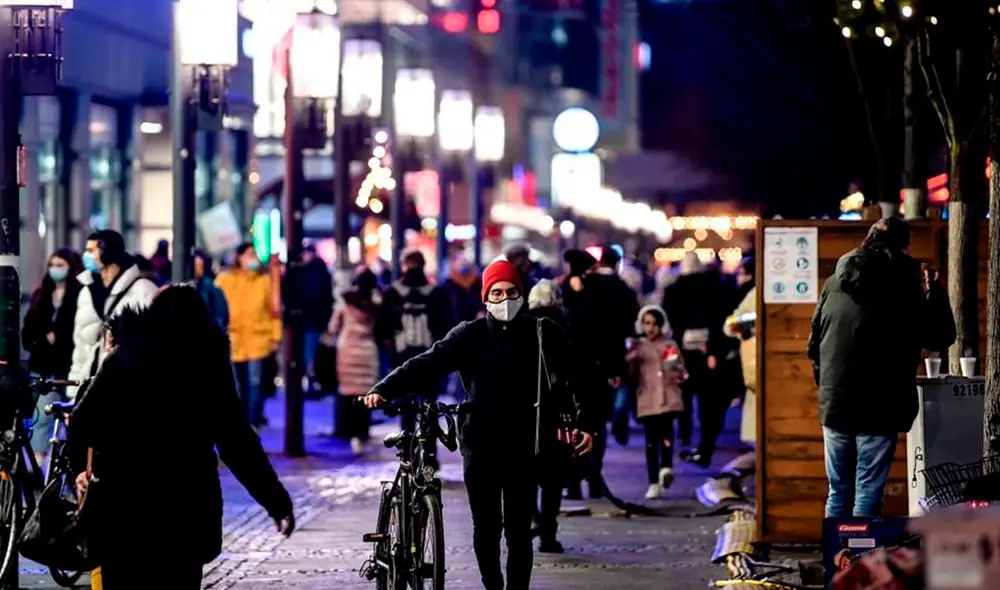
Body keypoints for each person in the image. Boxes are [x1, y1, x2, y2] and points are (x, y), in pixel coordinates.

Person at [363, 259, 594, 590]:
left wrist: (586, 422)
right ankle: (493, 586)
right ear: (485, 297)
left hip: (526, 446)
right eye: (496, 293)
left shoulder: (542, 333)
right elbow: (426, 364)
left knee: (518, 530)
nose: (504, 299)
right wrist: (384, 388)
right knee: (486, 527)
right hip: (481, 446)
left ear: (522, 293)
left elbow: (580, 377)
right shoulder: (469, 335)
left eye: (511, 292)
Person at [71, 285, 295, 588]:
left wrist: (80, 471)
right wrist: (275, 500)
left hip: (122, 506)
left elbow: (83, 421)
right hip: (185, 508)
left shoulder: (124, 356)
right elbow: (235, 440)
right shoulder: (207, 363)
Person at [808, 218, 955, 518]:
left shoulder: (835, 281)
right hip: (880, 403)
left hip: (836, 401)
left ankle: (835, 561)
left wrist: (826, 386)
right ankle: (860, 561)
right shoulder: (904, 284)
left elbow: (814, 343)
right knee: (868, 493)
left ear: (869, 239)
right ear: (903, 245)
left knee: (838, 491)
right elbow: (939, 336)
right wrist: (936, 292)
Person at [376, 249, 453, 462]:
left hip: (403, 361)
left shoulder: (393, 292)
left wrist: (391, 347)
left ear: (404, 265)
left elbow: (381, 328)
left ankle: (408, 457)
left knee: (407, 411)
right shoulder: (437, 292)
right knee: (429, 410)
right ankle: (429, 457)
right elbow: (447, 326)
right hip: (430, 361)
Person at [67, 230, 159, 399]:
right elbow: (80, 346)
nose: (86, 255)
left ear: (108, 251)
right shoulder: (87, 292)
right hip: (90, 388)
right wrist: (73, 390)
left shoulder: (143, 290)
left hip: (126, 390)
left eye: (91, 250)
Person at [23, 248, 83, 457]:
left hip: (69, 369)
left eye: (61, 265)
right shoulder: (42, 296)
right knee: (42, 418)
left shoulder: (79, 295)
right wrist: (44, 339)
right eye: (53, 265)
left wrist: (57, 339)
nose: (55, 270)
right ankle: (41, 464)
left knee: (72, 419)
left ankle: (68, 461)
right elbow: (28, 332)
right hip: (44, 367)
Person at [215, 244, 282, 427]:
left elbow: (274, 310)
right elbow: (217, 305)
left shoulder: (264, 281)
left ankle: (251, 422)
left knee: (255, 385)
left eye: (255, 255)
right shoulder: (225, 279)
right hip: (233, 339)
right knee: (235, 386)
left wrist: (276, 336)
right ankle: (237, 422)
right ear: (239, 258)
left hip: (258, 339)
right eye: (249, 254)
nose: (254, 259)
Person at [627, 305, 688, 500]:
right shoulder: (637, 347)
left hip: (668, 398)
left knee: (666, 436)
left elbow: (677, 370)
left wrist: (677, 370)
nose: (650, 328)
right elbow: (630, 373)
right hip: (647, 400)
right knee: (651, 442)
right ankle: (653, 480)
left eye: (654, 324)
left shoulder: (668, 345)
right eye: (647, 324)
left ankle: (666, 467)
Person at [526, 278, 568, 553]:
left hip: (524, 408)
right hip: (554, 408)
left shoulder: (522, 324)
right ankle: (548, 532)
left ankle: (535, 521)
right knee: (552, 479)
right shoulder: (562, 325)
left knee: (525, 475)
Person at [328, 268, 381, 454]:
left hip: (347, 350)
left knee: (346, 391)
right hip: (367, 351)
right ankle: (361, 432)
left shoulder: (345, 302)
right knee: (366, 393)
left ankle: (345, 430)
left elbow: (333, 326)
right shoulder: (376, 303)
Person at [284, 244, 334, 393]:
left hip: (309, 321)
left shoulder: (309, 273)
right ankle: (312, 382)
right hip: (314, 321)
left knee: (308, 354)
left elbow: (312, 297)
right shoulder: (319, 272)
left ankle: (310, 382)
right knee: (310, 353)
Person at [193, 249, 230, 332]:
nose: (197, 270)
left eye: (199, 266)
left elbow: (221, 316)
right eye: (195, 266)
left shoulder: (210, 288)